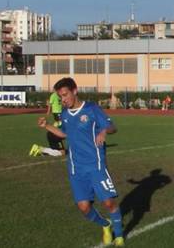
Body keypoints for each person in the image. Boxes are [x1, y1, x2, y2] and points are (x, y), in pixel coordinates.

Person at [38, 77, 124, 246]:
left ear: (74, 91)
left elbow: (112, 126)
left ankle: (120, 236)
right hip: (76, 168)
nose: (63, 99)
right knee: (84, 208)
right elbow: (64, 133)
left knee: (108, 202)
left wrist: (103, 132)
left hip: (95, 165)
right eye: (60, 97)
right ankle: (106, 225)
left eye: (65, 95)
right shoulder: (64, 113)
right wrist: (46, 126)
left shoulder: (91, 109)